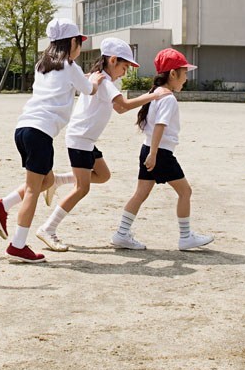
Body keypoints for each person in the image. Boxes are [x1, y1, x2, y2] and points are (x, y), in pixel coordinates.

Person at [35, 38, 171, 252]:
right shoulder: (105, 82)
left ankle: (59, 180)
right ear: (113, 60)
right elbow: (124, 106)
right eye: (124, 67)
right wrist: (154, 95)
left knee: (103, 175)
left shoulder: (104, 80)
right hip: (80, 139)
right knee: (82, 188)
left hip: (86, 140)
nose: (125, 73)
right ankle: (47, 228)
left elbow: (119, 108)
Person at [0, 18, 103, 263]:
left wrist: (85, 78)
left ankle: (3, 204)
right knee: (33, 189)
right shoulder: (70, 65)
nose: (80, 45)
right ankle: (18, 245)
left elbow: (67, 82)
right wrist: (94, 80)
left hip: (23, 129)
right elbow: (89, 89)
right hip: (40, 133)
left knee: (47, 181)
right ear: (72, 42)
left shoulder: (42, 65)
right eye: (79, 41)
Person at [112, 48, 215, 251]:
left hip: (149, 149)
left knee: (140, 193)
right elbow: (160, 125)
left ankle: (121, 234)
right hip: (160, 153)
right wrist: (154, 154)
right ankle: (185, 237)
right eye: (184, 73)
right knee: (185, 191)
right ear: (173, 74)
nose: (186, 78)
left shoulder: (155, 94)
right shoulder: (167, 98)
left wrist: (151, 152)